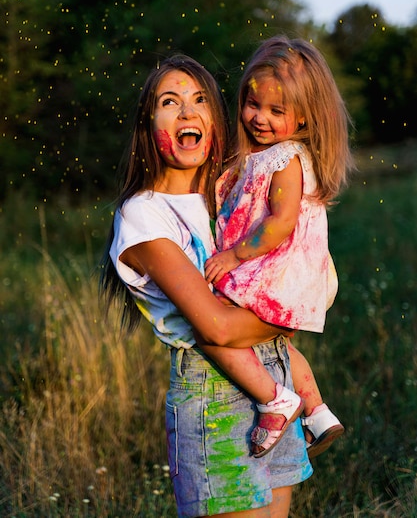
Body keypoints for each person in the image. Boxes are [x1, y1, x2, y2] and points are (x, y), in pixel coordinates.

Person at [99, 54, 312, 518]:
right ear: (146, 123)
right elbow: (215, 327)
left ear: (216, 117)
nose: (187, 112)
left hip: (276, 382)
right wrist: (294, 315)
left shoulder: (229, 191)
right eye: (169, 102)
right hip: (213, 399)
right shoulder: (143, 215)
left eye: (199, 100)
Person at [203, 35, 355, 459]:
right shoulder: (265, 154)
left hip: (272, 272)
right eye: (254, 105)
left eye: (276, 111)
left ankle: (276, 399)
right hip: (273, 271)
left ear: (304, 118)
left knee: (211, 330)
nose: (260, 118)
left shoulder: (285, 158)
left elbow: (281, 222)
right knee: (279, 346)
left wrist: (233, 255)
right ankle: (318, 411)